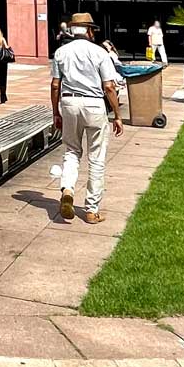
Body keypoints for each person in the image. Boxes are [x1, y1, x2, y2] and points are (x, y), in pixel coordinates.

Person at [50, 12, 124, 224]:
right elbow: (109, 86)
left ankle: (67, 189)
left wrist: (56, 112)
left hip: (69, 102)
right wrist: (117, 115)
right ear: (90, 31)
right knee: (97, 157)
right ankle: (91, 210)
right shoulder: (100, 52)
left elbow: (55, 85)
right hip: (94, 104)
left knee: (72, 151)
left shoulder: (61, 52)